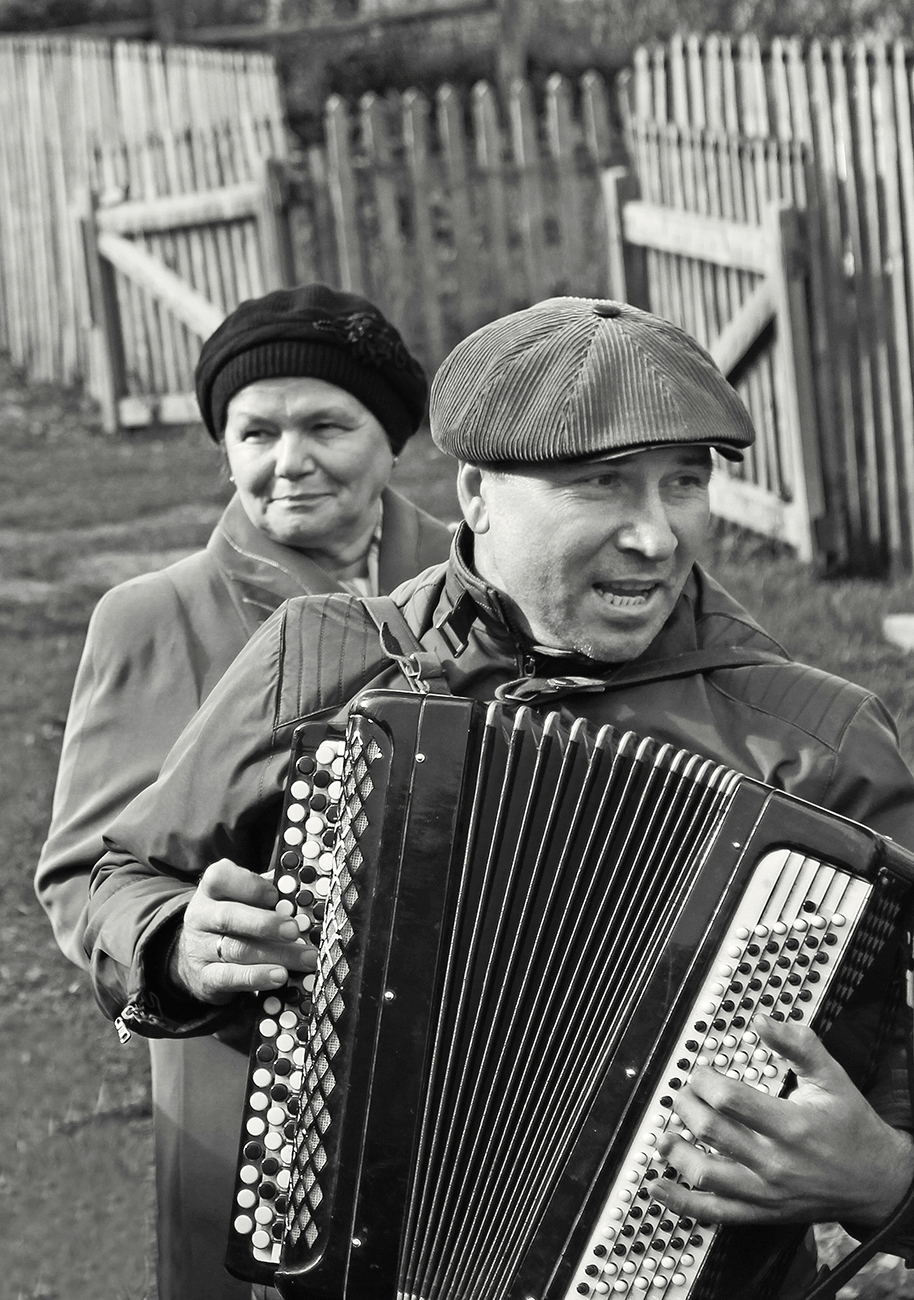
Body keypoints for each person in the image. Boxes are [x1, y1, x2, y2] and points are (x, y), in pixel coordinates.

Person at [86, 297, 914, 1297]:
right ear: (476, 495)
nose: (655, 537)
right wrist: (174, 941)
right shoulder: (324, 658)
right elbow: (121, 871)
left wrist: (884, 1179)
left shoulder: (809, 743)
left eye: (683, 483)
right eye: (601, 485)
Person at [35, 283, 452, 1300]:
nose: (288, 459)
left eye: (326, 424)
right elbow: (87, 876)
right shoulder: (153, 615)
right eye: (254, 430)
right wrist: (178, 939)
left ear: (390, 437)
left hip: (462, 1079)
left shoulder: (475, 583)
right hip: (243, 1092)